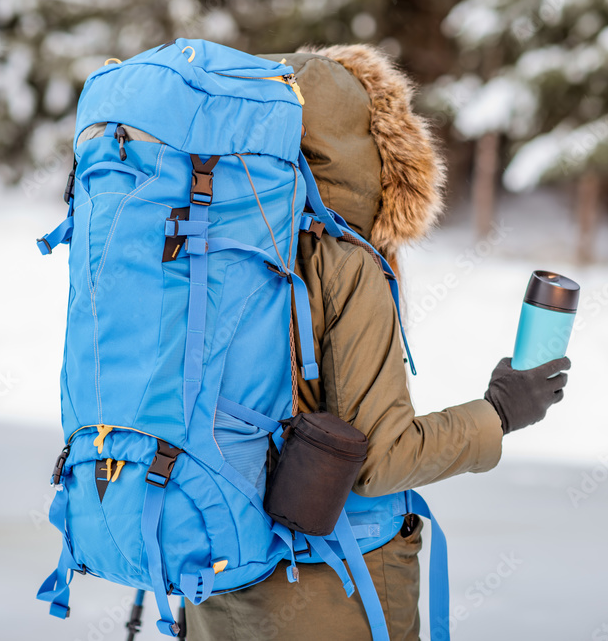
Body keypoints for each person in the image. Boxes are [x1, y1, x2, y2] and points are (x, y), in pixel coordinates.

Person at [185, 44, 571, 640]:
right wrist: (500, 411)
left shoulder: (201, 244)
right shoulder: (344, 262)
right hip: (330, 585)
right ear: (371, 154)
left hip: (213, 574)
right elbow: (380, 460)